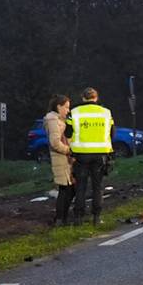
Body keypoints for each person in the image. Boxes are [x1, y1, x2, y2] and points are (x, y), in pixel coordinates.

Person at [67, 87, 114, 226]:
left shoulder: (74, 113)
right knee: (97, 187)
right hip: (100, 155)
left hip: (81, 155)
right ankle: (97, 217)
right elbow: (112, 133)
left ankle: (78, 218)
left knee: (81, 186)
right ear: (96, 98)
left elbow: (68, 133)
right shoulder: (106, 113)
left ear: (83, 98)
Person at [43, 95, 76, 226]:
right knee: (65, 189)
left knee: (69, 188)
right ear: (59, 106)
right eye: (66, 107)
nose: (68, 110)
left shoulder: (60, 120)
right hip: (61, 159)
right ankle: (60, 219)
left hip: (65, 159)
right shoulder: (53, 120)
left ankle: (62, 218)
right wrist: (69, 150)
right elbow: (55, 142)